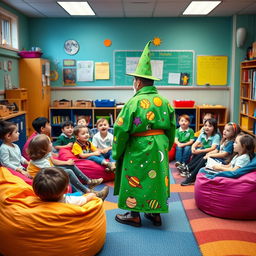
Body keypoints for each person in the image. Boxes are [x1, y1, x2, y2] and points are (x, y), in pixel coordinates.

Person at [112, 41, 176, 227]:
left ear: (138, 82)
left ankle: (134, 215)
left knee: (135, 177)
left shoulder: (132, 103)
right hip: (159, 146)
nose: (134, 84)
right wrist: (166, 145)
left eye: (134, 81)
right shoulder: (164, 101)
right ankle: (155, 214)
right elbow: (172, 128)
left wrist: (117, 152)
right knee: (155, 178)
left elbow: (121, 130)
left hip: (137, 146)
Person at [27, 134, 109, 200]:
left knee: (70, 165)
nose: (51, 143)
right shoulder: (41, 162)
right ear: (43, 148)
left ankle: (89, 182)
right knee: (67, 173)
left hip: (49, 172)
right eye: (49, 143)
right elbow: (51, 172)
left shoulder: (45, 154)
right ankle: (86, 192)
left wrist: (67, 162)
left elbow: (54, 162)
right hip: (45, 179)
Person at [178, 118, 220, 184]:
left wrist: (199, 151)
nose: (207, 128)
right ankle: (188, 169)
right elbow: (195, 143)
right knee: (195, 152)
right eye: (205, 125)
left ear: (214, 127)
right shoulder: (202, 134)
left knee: (202, 153)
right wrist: (193, 148)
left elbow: (213, 148)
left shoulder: (216, 136)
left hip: (211, 152)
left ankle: (188, 169)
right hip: (203, 150)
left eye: (210, 126)